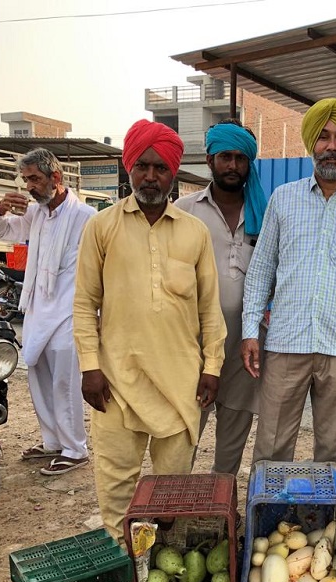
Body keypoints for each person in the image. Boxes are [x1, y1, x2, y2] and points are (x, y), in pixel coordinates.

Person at [73, 120, 227, 540]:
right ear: (129, 169)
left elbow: (210, 310)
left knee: (170, 497)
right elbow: (85, 305)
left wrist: (212, 366)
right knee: (116, 497)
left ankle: (158, 575)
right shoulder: (101, 228)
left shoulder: (194, 232)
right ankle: (123, 581)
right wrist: (90, 366)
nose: (151, 176)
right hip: (115, 386)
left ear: (173, 173)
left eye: (160, 168)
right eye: (142, 166)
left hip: (180, 388)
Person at [240, 97, 336, 464]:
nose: (332, 146)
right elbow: (260, 272)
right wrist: (249, 332)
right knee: (272, 445)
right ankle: (268, 515)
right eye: (323, 137)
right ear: (311, 144)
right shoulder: (283, 199)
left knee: (329, 449)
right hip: (286, 341)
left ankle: (322, 519)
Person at [0, 147, 95, 476]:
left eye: (35, 179)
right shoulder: (35, 214)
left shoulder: (85, 217)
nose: (30, 187)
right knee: (37, 373)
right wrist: (0, 209)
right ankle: (53, 442)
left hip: (70, 309)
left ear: (56, 177)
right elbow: (1, 232)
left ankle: (75, 448)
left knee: (65, 381)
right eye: (26, 181)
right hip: (37, 307)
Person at [174, 120, 267, 476]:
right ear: (210, 159)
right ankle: (173, 504)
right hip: (192, 343)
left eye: (240, 158)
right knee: (185, 429)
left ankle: (220, 504)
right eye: (225, 157)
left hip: (248, 342)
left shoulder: (267, 211)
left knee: (234, 432)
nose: (233, 165)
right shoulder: (184, 210)